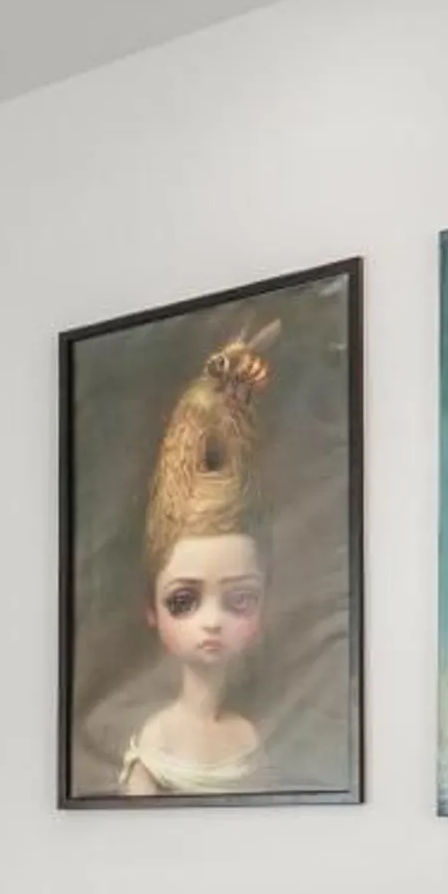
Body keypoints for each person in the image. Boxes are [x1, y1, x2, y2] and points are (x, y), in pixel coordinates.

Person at [119, 315, 280, 797]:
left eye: (239, 600)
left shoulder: (248, 738)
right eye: (184, 601)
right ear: (151, 608)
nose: (212, 623)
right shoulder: (157, 740)